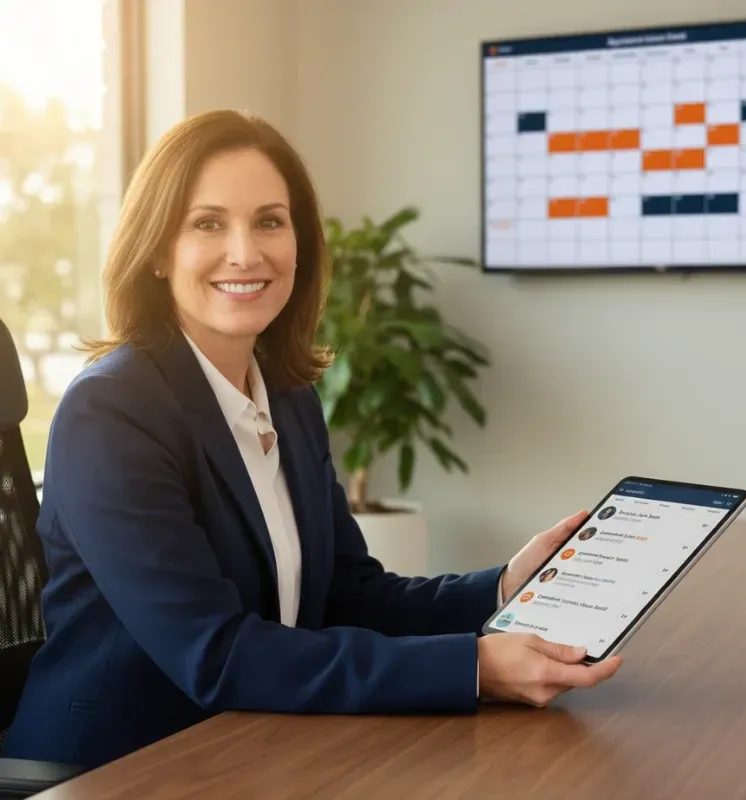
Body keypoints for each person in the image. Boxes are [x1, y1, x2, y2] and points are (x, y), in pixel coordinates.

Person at [2, 110, 621, 769]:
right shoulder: (113, 411)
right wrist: (473, 667)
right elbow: (216, 652)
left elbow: (345, 594)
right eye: (208, 223)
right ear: (158, 249)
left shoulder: (288, 395)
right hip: (121, 768)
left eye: (270, 220)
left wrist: (504, 589)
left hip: (253, 745)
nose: (246, 252)